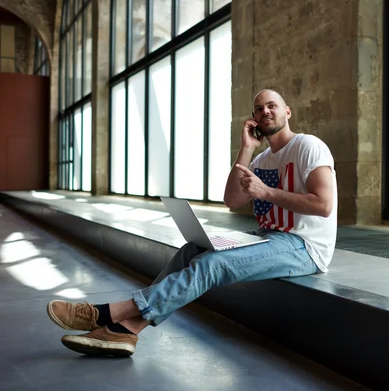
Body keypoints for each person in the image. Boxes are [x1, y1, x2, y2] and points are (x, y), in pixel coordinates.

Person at [46, 89, 338, 357]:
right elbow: (232, 200)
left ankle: (108, 313)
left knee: (213, 264)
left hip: (303, 245)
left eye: (272, 105)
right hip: (268, 237)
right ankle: (126, 332)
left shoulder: (308, 146)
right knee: (191, 250)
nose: (265, 111)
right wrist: (246, 149)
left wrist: (266, 192)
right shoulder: (261, 160)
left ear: (287, 111)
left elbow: (323, 206)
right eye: (259, 108)